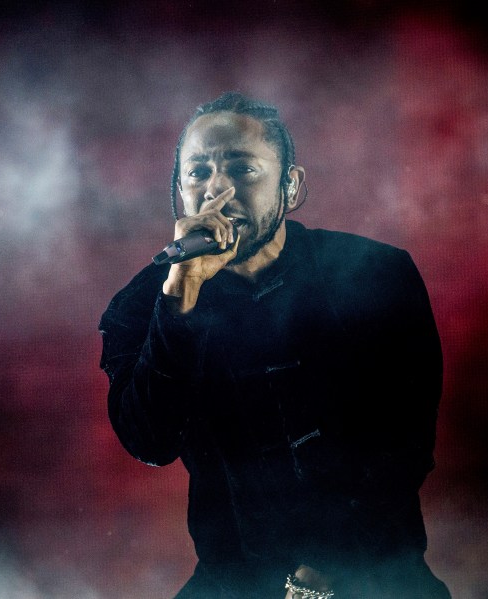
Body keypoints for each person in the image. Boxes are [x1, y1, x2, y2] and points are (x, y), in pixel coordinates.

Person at [98, 92, 451, 599]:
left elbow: (404, 444)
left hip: (376, 573)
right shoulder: (141, 305)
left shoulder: (378, 274)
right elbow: (149, 441)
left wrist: (321, 573)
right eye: (197, 173)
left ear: (292, 185)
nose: (217, 190)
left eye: (242, 169)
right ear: (178, 189)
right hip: (234, 582)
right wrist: (179, 301)